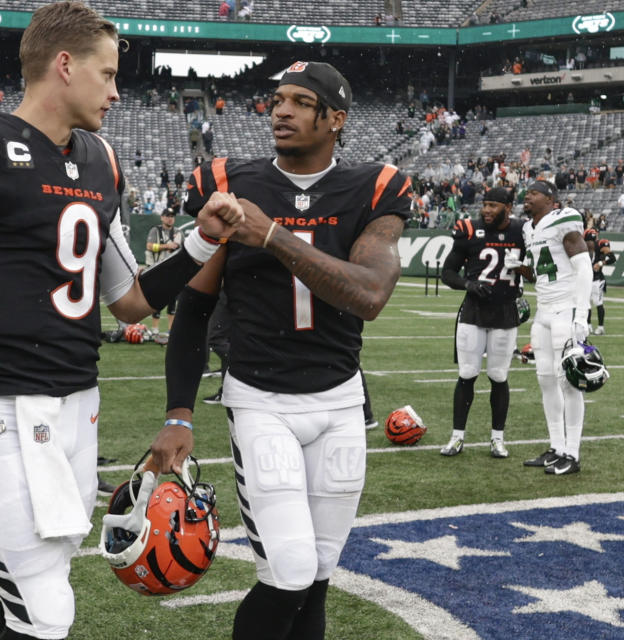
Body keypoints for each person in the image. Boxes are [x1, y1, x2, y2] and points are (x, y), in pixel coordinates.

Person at [0, 4, 241, 639]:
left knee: (39, 591)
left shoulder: (99, 161)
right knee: (44, 610)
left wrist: (199, 245)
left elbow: (129, 301)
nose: (118, 92)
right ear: (64, 65)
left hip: (77, 406)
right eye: (108, 73)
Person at [148, 61, 411, 640]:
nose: (281, 110)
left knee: (316, 575)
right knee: (288, 571)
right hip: (261, 399)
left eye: (299, 101)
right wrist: (178, 413)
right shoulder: (230, 181)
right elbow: (193, 308)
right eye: (277, 100)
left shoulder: (374, 186)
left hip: (340, 402)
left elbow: (369, 295)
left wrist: (271, 235)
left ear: (336, 119)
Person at [438, 187, 525, 459]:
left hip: (504, 314)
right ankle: (457, 437)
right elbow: (447, 272)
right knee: (467, 373)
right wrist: (469, 284)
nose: (486, 210)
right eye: (484, 204)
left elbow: (534, 272)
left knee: (499, 376)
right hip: (473, 313)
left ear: (508, 207)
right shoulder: (469, 230)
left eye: (493, 205)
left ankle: (497, 439)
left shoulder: (523, 231)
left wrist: (522, 268)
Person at [520, 181, 591, 475]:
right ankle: (556, 447)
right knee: (546, 379)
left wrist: (582, 313)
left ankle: (572, 454)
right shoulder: (528, 228)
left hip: (565, 308)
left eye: (534, 193)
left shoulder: (565, 218)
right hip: (544, 309)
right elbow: (540, 271)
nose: (527, 196)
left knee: (569, 381)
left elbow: (584, 266)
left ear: (550, 199)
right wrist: (519, 267)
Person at [145, 209, 183, 340]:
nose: (170, 219)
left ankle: (170, 330)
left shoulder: (178, 232)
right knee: (157, 300)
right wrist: (166, 246)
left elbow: (179, 248)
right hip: (157, 269)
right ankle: (154, 329)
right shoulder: (155, 230)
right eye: (167, 216)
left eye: (172, 216)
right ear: (162, 217)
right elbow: (149, 246)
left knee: (172, 301)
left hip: (173, 270)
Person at [587, 235, 616, 335]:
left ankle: (600, 327)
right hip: (587, 279)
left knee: (598, 302)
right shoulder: (583, 245)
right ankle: (588, 325)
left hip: (597, 280)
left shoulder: (600, 243)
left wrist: (600, 263)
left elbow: (612, 258)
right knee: (586, 303)